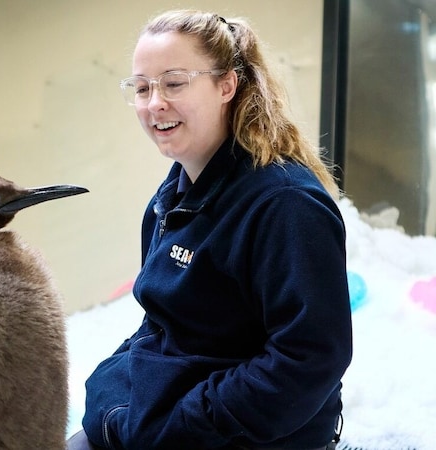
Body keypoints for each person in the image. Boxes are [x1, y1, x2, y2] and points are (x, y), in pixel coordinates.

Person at [68, 9, 353, 450]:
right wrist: (114, 394)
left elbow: (308, 359)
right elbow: (162, 322)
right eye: (142, 88)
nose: (154, 103)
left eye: (174, 82)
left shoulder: (285, 204)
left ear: (227, 85)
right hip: (171, 419)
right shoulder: (171, 198)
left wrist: (185, 423)